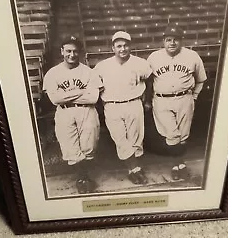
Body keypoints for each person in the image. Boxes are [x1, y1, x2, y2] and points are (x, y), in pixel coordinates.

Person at [145, 25, 207, 180]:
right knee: (172, 135)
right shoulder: (154, 57)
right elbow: (146, 81)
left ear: (181, 41)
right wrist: (147, 100)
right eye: (168, 40)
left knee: (183, 136)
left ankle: (179, 165)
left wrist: (195, 96)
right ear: (163, 41)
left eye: (176, 40)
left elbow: (201, 80)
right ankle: (177, 164)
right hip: (161, 100)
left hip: (184, 99)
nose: (172, 43)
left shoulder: (192, 56)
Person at [42, 36, 102, 194]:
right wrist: (81, 91)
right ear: (62, 51)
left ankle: (84, 176)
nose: (72, 54)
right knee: (70, 147)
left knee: (89, 146)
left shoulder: (88, 72)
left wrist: (67, 94)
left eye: (75, 51)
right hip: (64, 112)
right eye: (68, 51)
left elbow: (93, 97)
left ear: (80, 52)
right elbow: (55, 99)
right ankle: (82, 178)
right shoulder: (52, 73)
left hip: (87, 110)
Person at [95, 31, 152, 185]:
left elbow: (150, 80)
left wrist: (147, 101)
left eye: (126, 45)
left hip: (134, 103)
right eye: (119, 46)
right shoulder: (102, 66)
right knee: (121, 140)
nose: (122, 49)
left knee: (136, 140)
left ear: (130, 46)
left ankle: (133, 170)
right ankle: (135, 169)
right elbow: (95, 86)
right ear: (112, 48)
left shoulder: (140, 63)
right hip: (112, 106)